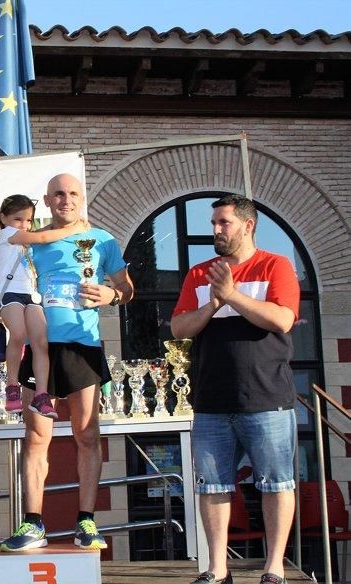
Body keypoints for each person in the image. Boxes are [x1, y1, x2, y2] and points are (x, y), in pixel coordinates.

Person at [1, 173, 134, 552]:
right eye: (58, 194)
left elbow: (127, 288)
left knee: (87, 435)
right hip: (40, 348)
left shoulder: (102, 240)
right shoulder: (30, 240)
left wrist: (111, 293)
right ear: (47, 200)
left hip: (83, 346)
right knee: (36, 438)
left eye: (73, 193)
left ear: (82, 198)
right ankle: (32, 524)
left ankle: (86, 522)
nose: (66, 199)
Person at [171, 195, 299, 584]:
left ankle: (273, 567)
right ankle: (217, 568)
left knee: (276, 482)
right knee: (213, 486)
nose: (215, 230)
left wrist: (234, 297)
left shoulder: (276, 265)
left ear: (248, 225)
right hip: (211, 400)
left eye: (224, 222)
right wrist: (212, 304)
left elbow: (282, 320)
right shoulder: (199, 274)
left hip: (267, 398)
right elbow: (179, 329)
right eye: (213, 223)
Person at [0, 194, 90, 418]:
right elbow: (44, 237)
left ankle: (42, 394)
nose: (25, 225)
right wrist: (73, 229)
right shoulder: (7, 234)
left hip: (30, 294)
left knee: (40, 341)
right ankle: (12, 387)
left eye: (28, 221)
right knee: (18, 333)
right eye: (19, 219)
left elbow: (41, 234)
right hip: (9, 293)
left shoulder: (24, 236)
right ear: (3, 217)